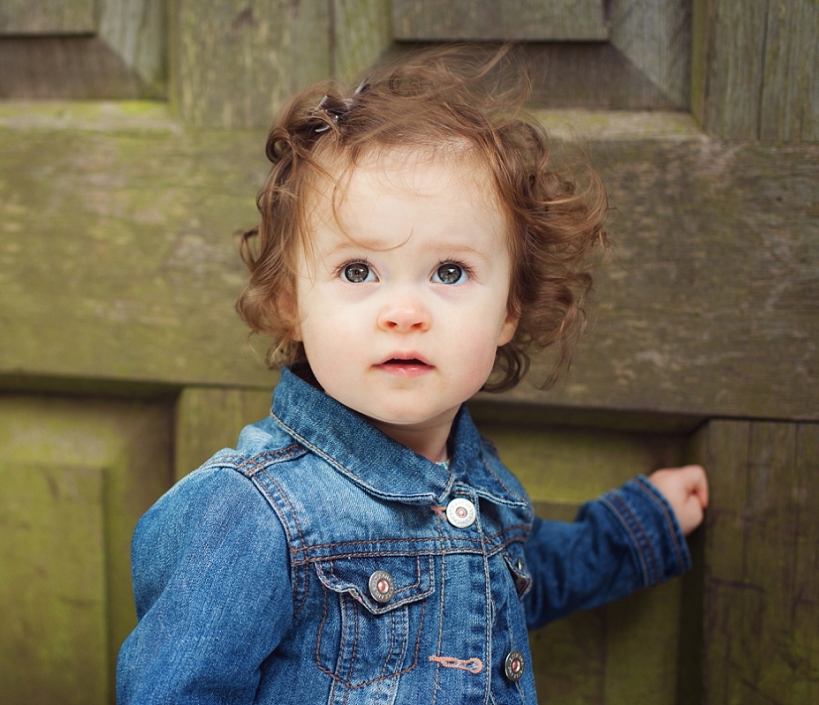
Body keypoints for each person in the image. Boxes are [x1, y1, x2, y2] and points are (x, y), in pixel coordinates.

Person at [116, 48, 709, 705]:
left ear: (509, 308)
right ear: (291, 304)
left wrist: (634, 530)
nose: (404, 312)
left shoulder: (476, 482)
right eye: (358, 270)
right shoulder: (256, 511)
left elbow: (509, 583)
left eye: (449, 272)